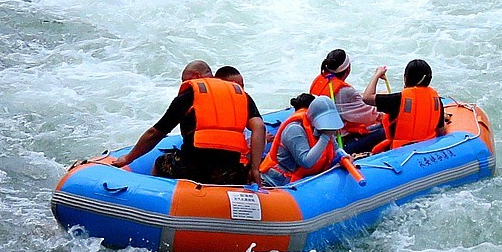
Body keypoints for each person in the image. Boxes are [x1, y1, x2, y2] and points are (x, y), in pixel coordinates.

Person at [112, 61, 266, 185]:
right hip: (229, 172)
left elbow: (155, 133)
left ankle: (161, 200)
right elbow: (259, 127)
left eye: (185, 80)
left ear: (196, 76)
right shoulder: (240, 94)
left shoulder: (191, 94)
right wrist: (254, 169)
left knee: (161, 162)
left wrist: (128, 158)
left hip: (193, 169)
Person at [310, 49, 385, 153]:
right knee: (386, 129)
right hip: (339, 144)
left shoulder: (320, 80)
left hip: (317, 138)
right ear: (348, 68)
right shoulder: (344, 91)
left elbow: (346, 105)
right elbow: (371, 116)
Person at [363, 59, 445, 152]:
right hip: (427, 148)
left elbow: (367, 98)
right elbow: (441, 132)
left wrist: (377, 75)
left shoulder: (398, 99)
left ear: (406, 78)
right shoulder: (436, 100)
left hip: (400, 152)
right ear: (429, 79)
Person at [260, 95, 343, 186]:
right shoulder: (295, 130)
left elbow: (335, 147)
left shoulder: (322, 127)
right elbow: (306, 162)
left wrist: (343, 156)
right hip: (276, 183)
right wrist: (325, 137)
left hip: (303, 179)